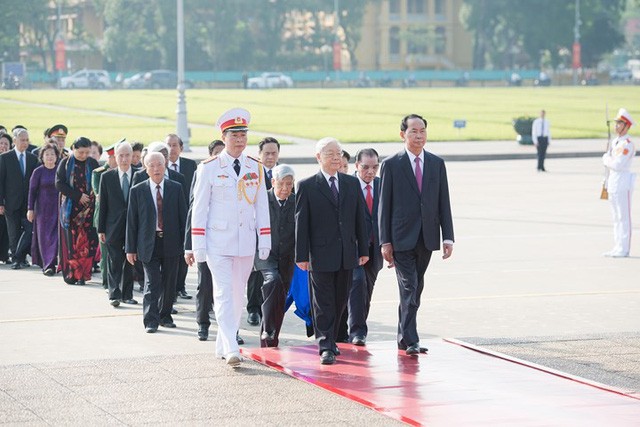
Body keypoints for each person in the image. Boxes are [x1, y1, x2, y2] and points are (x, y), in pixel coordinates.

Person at [191, 107, 271, 368]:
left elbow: (261, 206)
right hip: (218, 242)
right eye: (234, 135)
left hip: (245, 242)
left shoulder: (254, 167)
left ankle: (222, 344)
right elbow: (199, 209)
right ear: (223, 137)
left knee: (238, 296)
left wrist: (265, 239)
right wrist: (198, 245)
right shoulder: (210, 168)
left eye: (243, 134)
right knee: (224, 293)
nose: (240, 139)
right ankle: (232, 347)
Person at [378, 114, 454, 355]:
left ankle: (404, 335)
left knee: (415, 288)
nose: (419, 136)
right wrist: (384, 241)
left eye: (422, 131)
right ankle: (411, 339)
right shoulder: (391, 164)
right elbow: (383, 206)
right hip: (400, 239)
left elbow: (444, 202)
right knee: (410, 287)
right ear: (403, 135)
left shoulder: (436, 163)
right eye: (413, 131)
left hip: (427, 237)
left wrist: (448, 236)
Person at [295, 137, 369, 365]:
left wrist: (363, 249)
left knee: (339, 301)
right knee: (322, 303)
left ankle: (334, 339)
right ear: (319, 157)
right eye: (330, 154)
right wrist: (301, 256)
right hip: (319, 255)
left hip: (347, 253)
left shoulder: (350, 183)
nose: (336, 157)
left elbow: (360, 219)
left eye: (338, 153)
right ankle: (325, 344)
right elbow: (301, 223)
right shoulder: (307, 186)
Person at [184, 142, 245, 344]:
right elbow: (195, 212)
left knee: (230, 291)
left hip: (232, 242)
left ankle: (229, 335)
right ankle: (203, 324)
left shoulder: (244, 168)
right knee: (206, 286)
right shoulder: (206, 170)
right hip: (208, 242)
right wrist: (191, 245)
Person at [126, 152, 186, 332]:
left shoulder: (175, 188)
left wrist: (187, 246)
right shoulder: (137, 190)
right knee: (152, 283)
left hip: (171, 243)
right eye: (151, 165)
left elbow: (183, 218)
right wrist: (130, 249)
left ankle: (165, 316)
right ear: (146, 169)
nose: (156, 168)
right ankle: (150, 320)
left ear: (165, 165)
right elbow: (132, 222)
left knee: (169, 283)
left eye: (159, 164)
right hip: (147, 244)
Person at [255, 164, 296, 347]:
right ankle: (269, 329)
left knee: (280, 298)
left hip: (287, 257)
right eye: (281, 184)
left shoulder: (297, 201)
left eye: (289, 184)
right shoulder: (261, 200)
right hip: (265, 254)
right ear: (272, 182)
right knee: (273, 282)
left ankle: (270, 342)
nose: (285, 188)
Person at [347, 148, 383, 346]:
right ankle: (357, 331)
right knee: (357, 283)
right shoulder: (348, 185)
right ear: (357, 166)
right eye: (366, 167)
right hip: (352, 248)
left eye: (375, 167)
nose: (370, 172)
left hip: (375, 248)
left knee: (366, 290)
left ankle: (357, 327)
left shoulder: (382, 185)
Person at [55, 136, 100, 286]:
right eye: (80, 152)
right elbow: (59, 184)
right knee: (72, 244)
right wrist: (78, 196)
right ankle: (71, 274)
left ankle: (84, 275)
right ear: (73, 149)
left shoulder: (92, 163)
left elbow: (98, 182)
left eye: (87, 152)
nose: (84, 156)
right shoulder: (66, 163)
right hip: (71, 211)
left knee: (87, 244)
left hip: (89, 210)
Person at [246, 136, 281, 326]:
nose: (270, 157)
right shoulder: (252, 173)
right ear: (259, 154)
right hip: (255, 231)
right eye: (266, 153)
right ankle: (253, 309)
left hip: (277, 232)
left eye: (274, 153)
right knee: (255, 273)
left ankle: (270, 309)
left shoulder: (283, 174)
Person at [99, 142, 138, 307]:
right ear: (115, 157)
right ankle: (114, 294)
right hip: (112, 227)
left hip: (133, 227)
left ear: (133, 156)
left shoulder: (140, 175)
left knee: (130, 261)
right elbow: (103, 205)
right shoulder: (107, 177)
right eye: (120, 155)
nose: (124, 159)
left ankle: (127, 294)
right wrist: (101, 228)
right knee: (114, 261)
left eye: (127, 155)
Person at [0, 127, 38, 269]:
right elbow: (1, 182)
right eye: (22, 140)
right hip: (10, 202)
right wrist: (0, 202)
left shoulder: (33, 158)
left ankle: (20, 257)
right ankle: (16, 259)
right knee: (13, 232)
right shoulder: (5, 158)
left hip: (28, 203)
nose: (25, 143)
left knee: (28, 231)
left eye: (27, 140)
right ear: (14, 140)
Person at [165, 133, 197, 300]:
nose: (171, 149)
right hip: (168, 215)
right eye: (168, 145)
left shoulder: (190, 165)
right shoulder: (161, 166)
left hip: (186, 214)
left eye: (174, 145)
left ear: (181, 148)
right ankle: (170, 287)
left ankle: (180, 287)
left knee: (185, 250)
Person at [602, 108, 636, 258]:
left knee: (624, 217)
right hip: (614, 182)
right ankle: (617, 246)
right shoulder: (616, 142)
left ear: (626, 126)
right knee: (616, 217)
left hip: (623, 182)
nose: (616, 126)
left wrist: (605, 159)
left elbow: (618, 164)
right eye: (616, 123)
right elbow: (612, 166)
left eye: (619, 123)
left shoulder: (627, 144)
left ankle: (624, 249)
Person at [27, 143, 61, 276]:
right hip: (42, 209)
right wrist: (30, 209)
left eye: (52, 154)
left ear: (56, 156)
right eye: (47, 154)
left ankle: (52, 263)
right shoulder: (38, 172)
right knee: (44, 237)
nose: (50, 157)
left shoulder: (59, 170)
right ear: (42, 156)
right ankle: (47, 265)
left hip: (57, 208)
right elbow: (32, 191)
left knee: (55, 237)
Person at [92, 143, 118, 285]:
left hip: (119, 219)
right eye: (116, 157)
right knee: (105, 252)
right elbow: (99, 196)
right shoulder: (99, 173)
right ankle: (106, 281)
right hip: (103, 218)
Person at [0, 133, 12, 263]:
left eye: (6, 144)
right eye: (1, 143)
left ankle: (3, 255)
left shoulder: (9, 159)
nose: (3, 146)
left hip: (7, 200)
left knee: (6, 229)